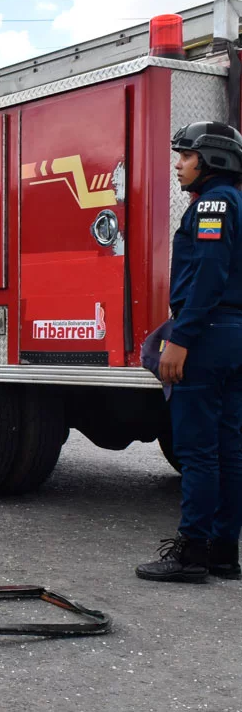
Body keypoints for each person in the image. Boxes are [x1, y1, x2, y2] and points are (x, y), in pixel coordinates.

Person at [137, 121, 242, 583]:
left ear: (211, 159)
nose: (178, 165)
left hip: (207, 335)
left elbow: (209, 274)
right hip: (233, 335)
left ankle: (192, 553)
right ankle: (223, 553)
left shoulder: (214, 203)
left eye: (185, 156)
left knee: (198, 450)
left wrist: (180, 339)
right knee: (230, 448)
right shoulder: (237, 201)